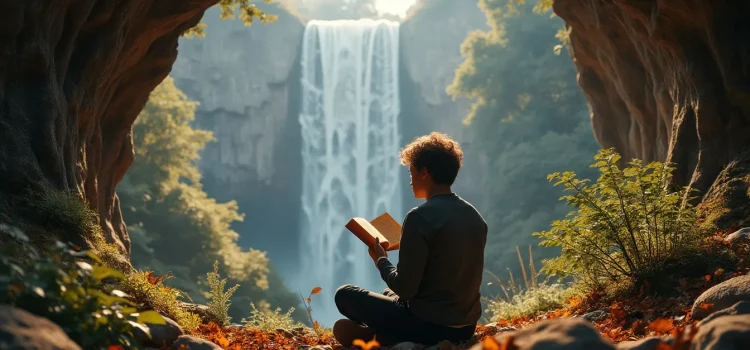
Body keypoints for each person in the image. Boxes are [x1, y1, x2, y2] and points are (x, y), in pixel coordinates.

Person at [333, 132, 488, 346]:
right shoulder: (474, 215)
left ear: (424, 173)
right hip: (465, 326)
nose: (410, 181)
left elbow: (405, 289)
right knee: (388, 293)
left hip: (427, 326)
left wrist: (380, 259)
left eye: (411, 172)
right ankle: (386, 335)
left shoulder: (419, 217)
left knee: (345, 295)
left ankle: (383, 337)